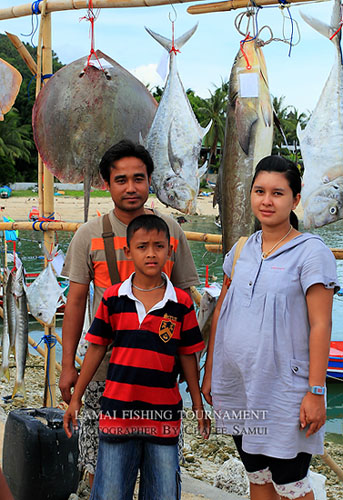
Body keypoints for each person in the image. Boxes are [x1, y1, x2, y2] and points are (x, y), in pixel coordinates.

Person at [59, 140, 200, 483]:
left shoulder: (170, 231)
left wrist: (190, 373)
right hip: (102, 370)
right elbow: (75, 304)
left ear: (150, 180)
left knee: (161, 469)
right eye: (121, 179)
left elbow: (186, 303)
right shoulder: (88, 235)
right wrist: (67, 367)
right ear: (106, 184)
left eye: (139, 178)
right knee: (100, 470)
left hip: (158, 374)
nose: (131, 187)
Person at [201, 155, 339, 500]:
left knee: (290, 482)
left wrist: (316, 391)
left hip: (284, 389)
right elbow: (222, 312)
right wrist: (210, 371)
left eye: (278, 193)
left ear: (295, 199)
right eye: (259, 191)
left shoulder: (311, 253)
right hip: (238, 383)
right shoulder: (241, 249)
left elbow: (322, 324)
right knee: (257, 475)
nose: (266, 200)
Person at [63, 214, 210, 500]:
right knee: (111, 492)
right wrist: (77, 398)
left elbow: (188, 355)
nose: (151, 253)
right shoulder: (114, 298)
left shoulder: (181, 303)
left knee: (163, 492)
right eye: (142, 247)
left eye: (159, 246)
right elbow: (95, 348)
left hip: (164, 416)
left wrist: (197, 402)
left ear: (170, 250)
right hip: (117, 414)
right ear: (128, 252)